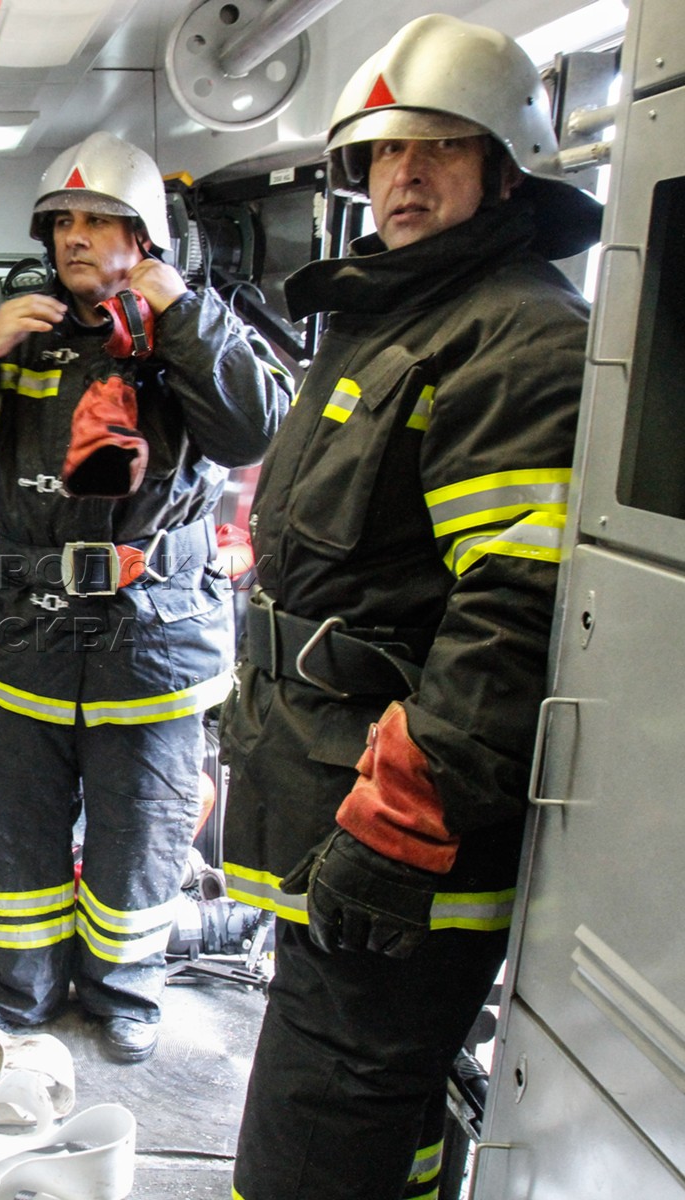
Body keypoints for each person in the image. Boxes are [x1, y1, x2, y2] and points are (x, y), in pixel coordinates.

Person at [218, 15, 603, 1198]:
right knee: (383, 1106)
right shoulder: (399, 320)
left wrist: (402, 819)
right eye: (385, 153)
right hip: (326, 783)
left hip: (400, 826)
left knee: (315, 1135)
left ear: (505, 170)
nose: (405, 175)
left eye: (440, 147)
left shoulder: (516, 337)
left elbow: (517, 610)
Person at [0, 132, 290, 1061]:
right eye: (63, 221)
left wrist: (181, 313)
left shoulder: (194, 326)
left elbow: (247, 432)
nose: (78, 237)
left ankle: (124, 990)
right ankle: (16, 985)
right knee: (18, 831)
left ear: (146, 234)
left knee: (139, 830)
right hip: (30, 631)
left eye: (102, 220)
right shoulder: (18, 330)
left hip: (152, 636)